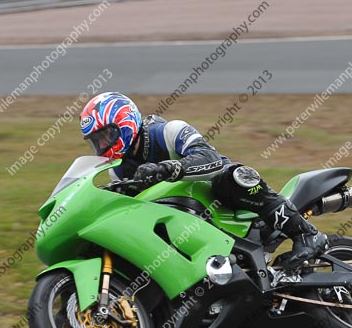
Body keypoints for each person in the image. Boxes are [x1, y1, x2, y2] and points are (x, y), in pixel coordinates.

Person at [79, 92, 328, 271]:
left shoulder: (167, 131)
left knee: (231, 177)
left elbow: (209, 157)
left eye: (105, 136)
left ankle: (307, 234)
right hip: (180, 218)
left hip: (220, 197)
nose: (102, 145)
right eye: (96, 141)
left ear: (123, 122)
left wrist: (169, 168)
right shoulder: (119, 172)